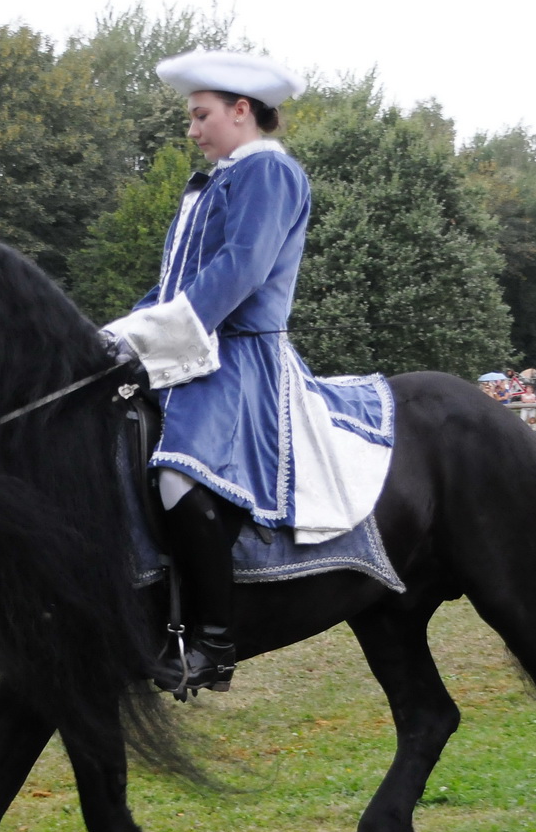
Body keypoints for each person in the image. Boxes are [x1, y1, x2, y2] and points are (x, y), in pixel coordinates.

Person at [101, 50, 390, 694]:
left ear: (241, 110)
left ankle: (214, 642)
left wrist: (157, 335)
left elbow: (240, 272)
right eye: (190, 118)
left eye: (201, 116)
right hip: (188, 351)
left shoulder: (268, 172)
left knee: (179, 478)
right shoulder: (214, 181)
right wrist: (116, 335)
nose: (193, 129)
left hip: (238, 357)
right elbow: (174, 286)